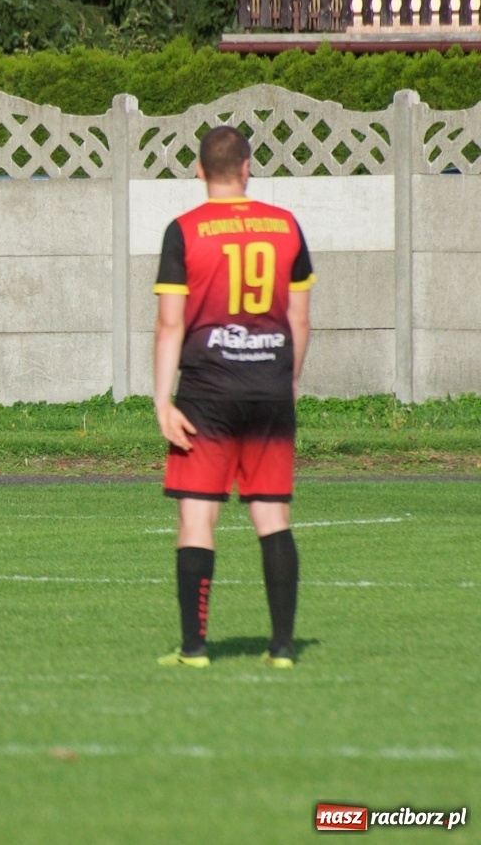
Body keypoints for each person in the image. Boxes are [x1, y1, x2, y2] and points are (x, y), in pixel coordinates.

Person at [152, 125, 314, 669]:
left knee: (197, 521)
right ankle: (283, 648)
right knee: (273, 517)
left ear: (199, 171)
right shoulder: (286, 226)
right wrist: (287, 381)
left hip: (205, 396)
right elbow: (300, 317)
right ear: (248, 167)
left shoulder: (184, 231)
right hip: (269, 388)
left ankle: (195, 649)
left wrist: (161, 400)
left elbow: (169, 324)